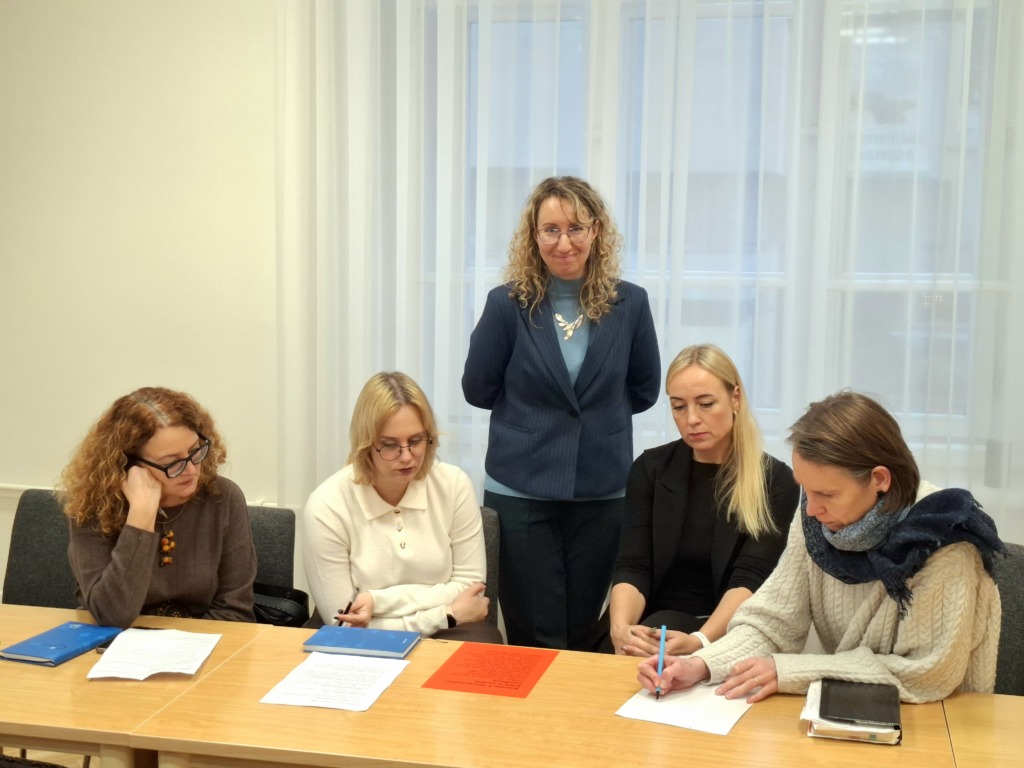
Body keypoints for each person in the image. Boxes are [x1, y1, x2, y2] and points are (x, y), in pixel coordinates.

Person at [638, 391, 1004, 703]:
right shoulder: (818, 520)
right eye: (806, 490)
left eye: (826, 494)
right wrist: (701, 664)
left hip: (945, 722)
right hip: (852, 708)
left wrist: (791, 671)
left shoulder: (941, 537)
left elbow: (925, 674)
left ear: (879, 478)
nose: (811, 509)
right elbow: (771, 623)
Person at [462, 175, 661, 650]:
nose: (564, 242)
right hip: (521, 488)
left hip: (601, 489)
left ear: (596, 231)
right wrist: (535, 420)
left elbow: (645, 389)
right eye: (550, 229)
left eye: (576, 228)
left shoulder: (631, 303)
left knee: (582, 628)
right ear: (534, 235)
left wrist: (593, 422)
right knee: (535, 632)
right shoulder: (507, 304)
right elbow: (478, 388)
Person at [600, 344, 799, 656]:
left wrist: (700, 640)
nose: (691, 419)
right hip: (648, 623)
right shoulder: (651, 469)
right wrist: (621, 629)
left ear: (735, 398)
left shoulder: (775, 480)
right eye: (679, 407)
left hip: (721, 630)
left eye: (706, 404)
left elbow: (749, 580)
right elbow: (633, 565)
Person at [302, 372, 503, 643]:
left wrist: (376, 600)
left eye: (416, 441)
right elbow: (345, 624)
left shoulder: (454, 484)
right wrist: (445, 614)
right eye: (389, 445)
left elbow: (471, 588)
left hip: (450, 628)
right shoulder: (326, 505)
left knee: (484, 645)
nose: (407, 457)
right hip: (362, 636)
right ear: (365, 444)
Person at [61, 387, 257, 628]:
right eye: (172, 462)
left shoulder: (223, 497)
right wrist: (141, 516)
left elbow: (235, 612)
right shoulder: (95, 505)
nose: (191, 470)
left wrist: (180, 644)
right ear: (128, 465)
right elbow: (110, 615)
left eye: (195, 451)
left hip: (203, 640)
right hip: (115, 641)